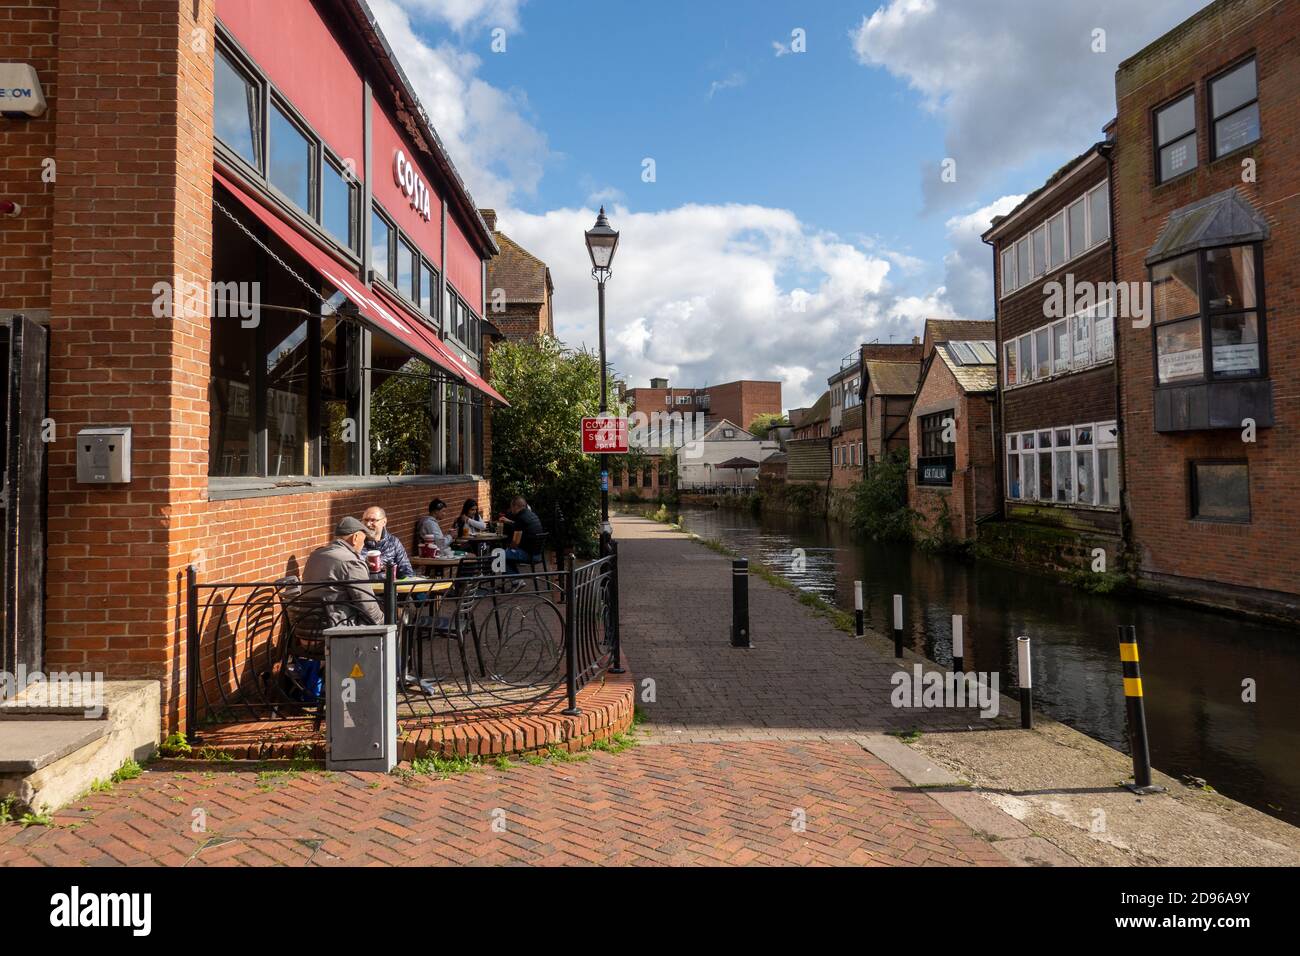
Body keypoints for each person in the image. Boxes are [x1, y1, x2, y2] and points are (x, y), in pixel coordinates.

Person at [301, 516, 384, 626]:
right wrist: (386, 623)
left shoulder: (315, 556)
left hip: (307, 626)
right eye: (363, 540)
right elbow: (367, 605)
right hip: (337, 628)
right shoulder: (351, 561)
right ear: (355, 538)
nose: (363, 545)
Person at [362, 506, 414, 578]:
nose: (368, 524)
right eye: (366, 520)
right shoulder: (357, 542)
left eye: (373, 520)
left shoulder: (393, 542)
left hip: (388, 587)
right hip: (364, 587)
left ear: (384, 522)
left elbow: (407, 571)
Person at [503, 495, 545, 574]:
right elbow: (521, 526)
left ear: (515, 506)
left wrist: (509, 548)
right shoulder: (532, 515)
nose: (511, 510)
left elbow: (515, 543)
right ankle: (516, 580)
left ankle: (516, 580)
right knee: (506, 556)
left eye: (511, 507)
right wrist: (510, 522)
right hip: (538, 554)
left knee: (498, 554)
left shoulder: (520, 517)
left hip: (528, 555)